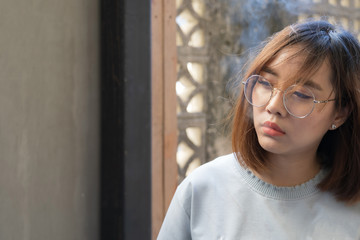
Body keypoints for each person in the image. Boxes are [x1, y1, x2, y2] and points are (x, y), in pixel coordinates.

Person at [157, 19, 360, 239]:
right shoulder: (203, 188)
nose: (274, 106)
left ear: (340, 113)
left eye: (301, 94)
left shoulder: (352, 208)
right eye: (265, 83)